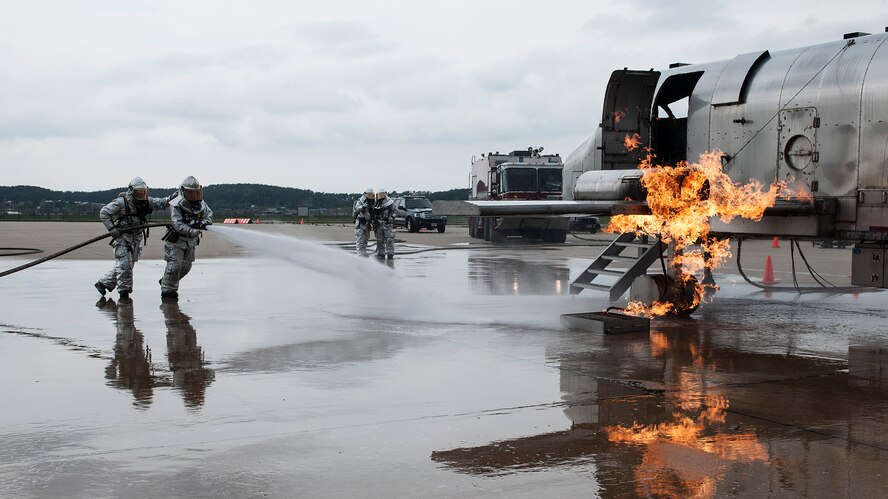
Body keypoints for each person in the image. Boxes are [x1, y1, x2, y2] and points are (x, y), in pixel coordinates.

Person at [96, 177, 173, 299]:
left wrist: (173, 197)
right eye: (139, 192)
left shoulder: (147, 201)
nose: (141, 195)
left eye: (144, 192)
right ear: (132, 191)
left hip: (136, 239)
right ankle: (124, 294)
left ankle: (103, 283)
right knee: (125, 265)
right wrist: (112, 229)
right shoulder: (121, 202)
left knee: (126, 265)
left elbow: (162, 203)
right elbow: (104, 213)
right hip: (123, 239)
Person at [160, 176, 212, 299]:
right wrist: (192, 230)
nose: (194, 195)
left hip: (191, 242)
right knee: (175, 266)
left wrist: (204, 223)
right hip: (176, 241)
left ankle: (166, 281)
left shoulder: (201, 204)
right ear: (184, 191)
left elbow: (208, 215)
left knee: (186, 267)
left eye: (196, 192)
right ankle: (168, 292)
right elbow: (177, 223)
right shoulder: (176, 204)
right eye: (191, 192)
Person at [373, 188, 396, 259]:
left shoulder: (390, 202)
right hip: (379, 224)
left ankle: (390, 253)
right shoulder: (377, 202)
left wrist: (390, 218)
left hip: (387, 224)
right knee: (380, 240)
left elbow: (395, 212)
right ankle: (381, 253)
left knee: (389, 239)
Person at [353, 187, 375, 257]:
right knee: (360, 240)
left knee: (366, 239)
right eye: (369, 194)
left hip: (367, 224)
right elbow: (356, 209)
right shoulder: (360, 201)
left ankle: (363, 252)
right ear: (365, 194)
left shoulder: (372, 202)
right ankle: (360, 254)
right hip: (360, 224)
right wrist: (363, 207)